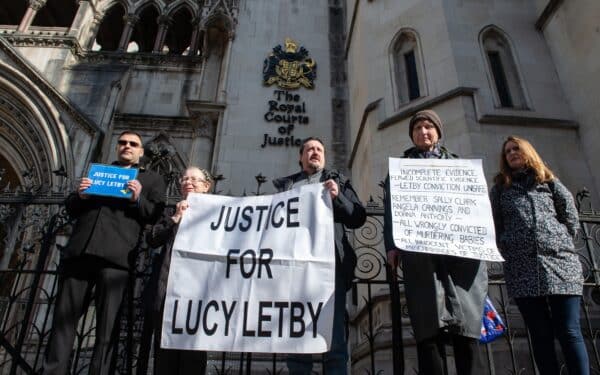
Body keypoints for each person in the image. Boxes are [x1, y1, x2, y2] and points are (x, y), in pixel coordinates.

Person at [42, 131, 166, 375]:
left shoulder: (151, 180)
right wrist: (81, 195)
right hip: (80, 253)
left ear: (141, 151)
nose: (127, 146)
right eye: (122, 142)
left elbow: (154, 215)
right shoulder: (97, 174)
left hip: (116, 259)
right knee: (62, 324)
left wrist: (137, 198)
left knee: (107, 330)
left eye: (133, 144)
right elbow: (72, 209)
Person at [384, 110, 487, 375]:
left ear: (438, 132)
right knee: (428, 328)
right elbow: (390, 210)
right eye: (417, 128)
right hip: (420, 257)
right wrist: (392, 246)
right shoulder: (400, 168)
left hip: (459, 259)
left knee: (466, 328)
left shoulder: (459, 165)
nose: (423, 132)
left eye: (428, 127)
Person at [490, 135, 589, 375]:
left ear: (528, 152)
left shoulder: (549, 182)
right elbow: (496, 223)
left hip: (560, 264)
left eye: (516, 149)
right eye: (507, 152)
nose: (512, 153)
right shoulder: (500, 188)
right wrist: (508, 245)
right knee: (540, 335)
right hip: (522, 267)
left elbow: (570, 216)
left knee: (569, 331)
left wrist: (557, 238)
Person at [273, 137, 366, 375]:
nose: (315, 152)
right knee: (297, 343)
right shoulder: (288, 187)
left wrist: (339, 197)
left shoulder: (338, 182)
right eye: (310, 149)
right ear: (301, 156)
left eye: (319, 149)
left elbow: (358, 217)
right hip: (295, 272)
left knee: (334, 342)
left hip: (330, 270)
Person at [146, 166, 213, 375]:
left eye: (194, 179)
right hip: (167, 292)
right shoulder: (170, 211)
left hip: (199, 297)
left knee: (193, 358)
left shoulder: (218, 214)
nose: (188, 182)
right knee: (164, 356)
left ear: (206, 186)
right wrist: (175, 218)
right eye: (184, 179)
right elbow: (153, 239)